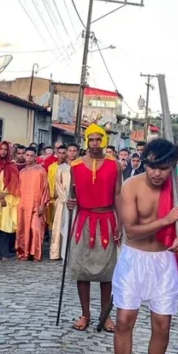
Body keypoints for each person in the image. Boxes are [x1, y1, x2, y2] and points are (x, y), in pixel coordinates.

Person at [104, 139, 178, 354]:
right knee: (124, 320)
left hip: (164, 261)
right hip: (134, 259)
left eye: (163, 168)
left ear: (172, 166)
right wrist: (166, 220)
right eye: (152, 166)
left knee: (162, 324)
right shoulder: (131, 186)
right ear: (144, 163)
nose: (157, 173)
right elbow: (131, 231)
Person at [68, 124, 121, 332]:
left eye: (99, 139)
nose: (95, 144)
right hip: (83, 220)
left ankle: (105, 316)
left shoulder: (115, 165)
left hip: (107, 220)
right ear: (87, 141)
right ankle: (85, 315)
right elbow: (73, 194)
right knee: (82, 269)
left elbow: (118, 195)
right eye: (91, 140)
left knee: (106, 271)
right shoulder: (75, 165)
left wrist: (120, 222)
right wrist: (70, 202)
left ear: (104, 141)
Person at [15, 148, 49, 261]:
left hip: (36, 205)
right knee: (23, 229)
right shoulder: (21, 172)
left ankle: (36, 253)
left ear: (35, 157)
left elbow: (45, 188)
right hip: (23, 205)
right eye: (27, 155)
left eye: (31, 155)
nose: (29, 158)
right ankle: (24, 252)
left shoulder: (41, 171)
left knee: (36, 229)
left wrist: (42, 204)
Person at [49, 145, 71, 261]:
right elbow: (58, 185)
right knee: (59, 227)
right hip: (62, 202)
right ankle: (57, 252)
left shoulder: (80, 166)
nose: (72, 153)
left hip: (76, 202)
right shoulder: (61, 168)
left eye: (74, 151)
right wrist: (65, 200)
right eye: (70, 151)